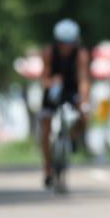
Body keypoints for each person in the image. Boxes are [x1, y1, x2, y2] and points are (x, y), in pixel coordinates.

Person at [39, 19, 90, 189]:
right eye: (62, 44)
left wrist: (84, 101)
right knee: (45, 126)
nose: (66, 48)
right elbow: (43, 79)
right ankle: (47, 168)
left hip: (72, 89)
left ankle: (73, 138)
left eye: (70, 44)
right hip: (53, 89)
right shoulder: (49, 52)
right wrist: (51, 81)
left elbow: (83, 80)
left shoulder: (81, 55)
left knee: (84, 116)